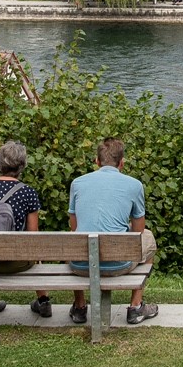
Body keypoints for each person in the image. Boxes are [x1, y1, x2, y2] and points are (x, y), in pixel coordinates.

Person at [66, 137, 157, 325]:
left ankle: (80, 306)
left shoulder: (77, 183)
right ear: (122, 163)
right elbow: (138, 231)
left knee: (73, 239)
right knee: (149, 237)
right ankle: (136, 305)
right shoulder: (134, 185)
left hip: (81, 265)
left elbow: (74, 226)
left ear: (97, 161)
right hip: (117, 264)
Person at [0, 140, 53, 319]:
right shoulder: (28, 192)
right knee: (35, 253)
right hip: (15, 262)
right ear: (22, 165)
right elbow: (32, 236)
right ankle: (43, 301)